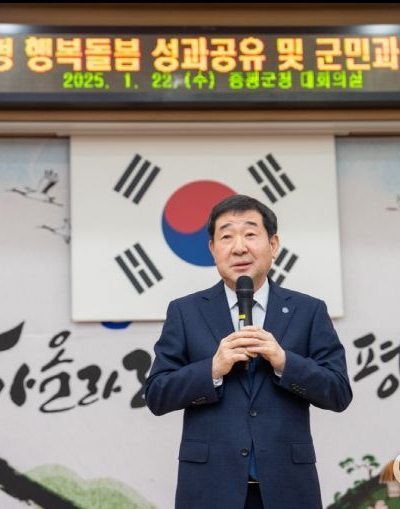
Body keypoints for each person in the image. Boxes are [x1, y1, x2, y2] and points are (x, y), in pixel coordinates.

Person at [145, 194, 352, 509]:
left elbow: (338, 392)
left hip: (287, 489)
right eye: (227, 236)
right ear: (212, 249)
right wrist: (212, 369)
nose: (239, 247)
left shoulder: (308, 310)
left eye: (251, 234)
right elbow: (157, 395)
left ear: (273, 244)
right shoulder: (186, 312)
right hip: (209, 490)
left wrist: (284, 362)